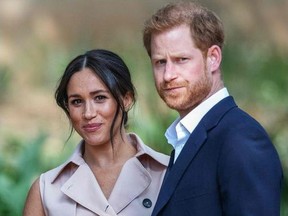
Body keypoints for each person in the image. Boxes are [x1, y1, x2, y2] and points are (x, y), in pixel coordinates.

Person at [142, 1, 283, 216]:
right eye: (160, 62)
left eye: (181, 59)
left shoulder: (241, 139)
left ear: (213, 58)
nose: (168, 75)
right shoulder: (186, 138)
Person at [23, 49, 169, 216]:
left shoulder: (168, 174)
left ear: (126, 100)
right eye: (77, 101)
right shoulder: (46, 191)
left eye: (100, 98)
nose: (88, 113)